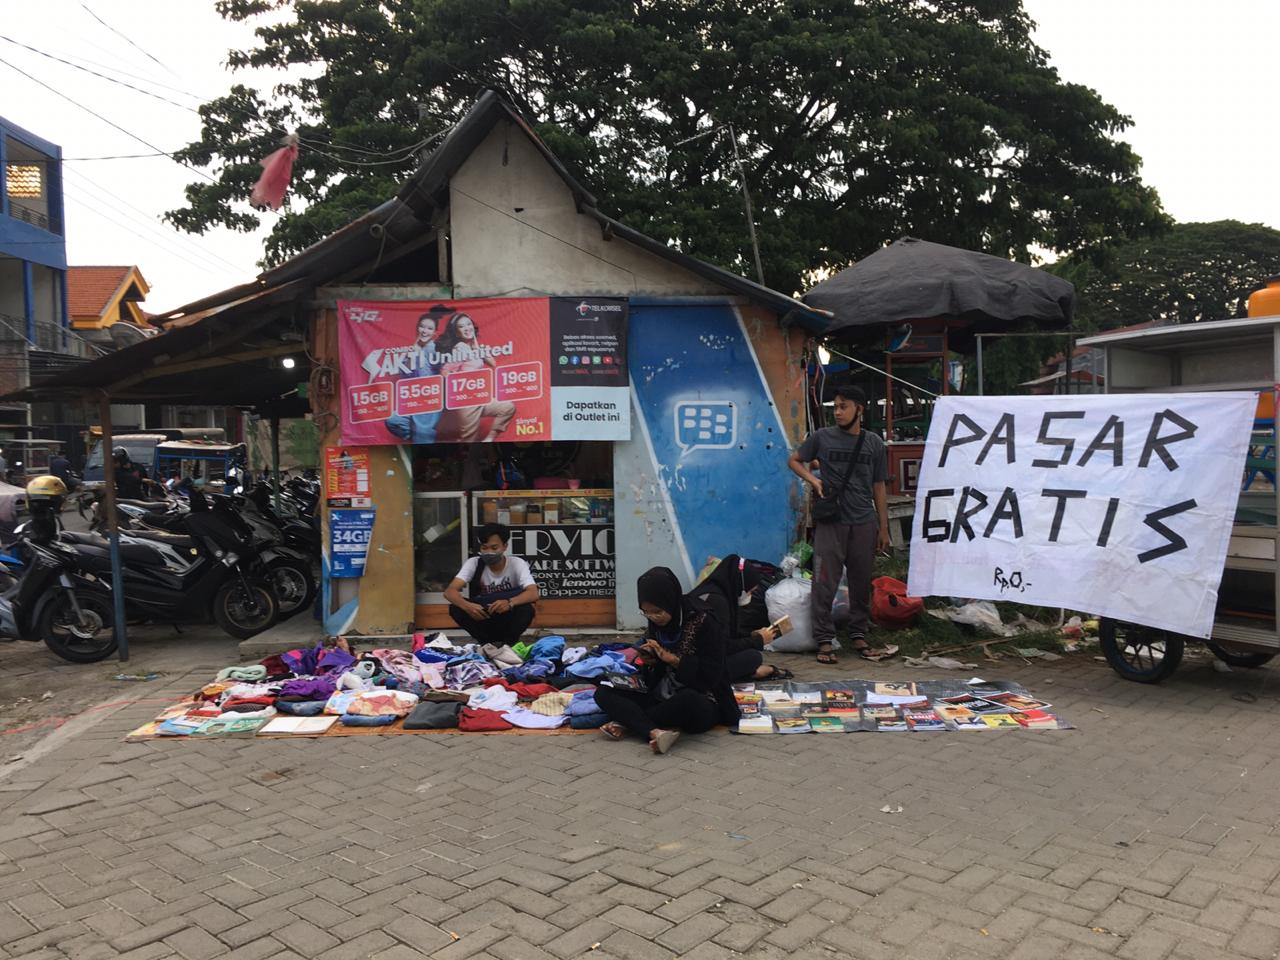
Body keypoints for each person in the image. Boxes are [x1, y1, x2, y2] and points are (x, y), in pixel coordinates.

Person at [788, 383, 896, 664]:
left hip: (863, 522)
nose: (837, 412)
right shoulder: (822, 437)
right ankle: (824, 639)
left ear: (859, 409)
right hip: (831, 522)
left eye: (843, 406)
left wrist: (883, 528)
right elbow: (796, 460)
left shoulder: (873, 443)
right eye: (834, 407)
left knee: (861, 583)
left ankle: (858, 634)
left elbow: (879, 487)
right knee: (825, 581)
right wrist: (814, 480)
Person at [595, 567, 739, 754]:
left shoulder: (704, 621)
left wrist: (675, 661)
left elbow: (711, 676)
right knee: (604, 692)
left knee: (688, 700)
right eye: (646, 612)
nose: (653, 617)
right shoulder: (657, 621)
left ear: (670, 602)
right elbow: (657, 674)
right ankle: (653, 731)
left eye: (657, 611)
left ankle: (630, 722)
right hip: (662, 695)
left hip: (703, 698)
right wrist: (652, 661)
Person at [694, 554, 793, 683]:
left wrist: (751, 635)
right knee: (753, 657)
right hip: (700, 663)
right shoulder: (718, 602)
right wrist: (758, 640)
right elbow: (722, 646)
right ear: (740, 584)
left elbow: (724, 634)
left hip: (702, 655)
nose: (749, 596)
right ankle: (753, 673)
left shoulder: (712, 591)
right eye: (750, 592)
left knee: (749, 654)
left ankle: (750, 672)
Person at [443, 523, 538, 645]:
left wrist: (510, 603)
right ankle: (486, 644)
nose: (489, 552)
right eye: (484, 548)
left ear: (504, 547)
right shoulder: (474, 563)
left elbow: (533, 592)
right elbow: (450, 592)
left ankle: (509, 644)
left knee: (526, 608)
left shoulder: (516, 563)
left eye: (494, 548)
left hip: (507, 615)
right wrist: (468, 606)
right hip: (483, 615)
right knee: (456, 608)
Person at [436, 313, 517, 442]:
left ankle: (489, 439)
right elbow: (444, 372)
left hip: (480, 398)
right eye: (461, 326)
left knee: (507, 407)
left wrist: (475, 345)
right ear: (457, 333)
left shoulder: (472, 348)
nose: (467, 328)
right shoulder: (460, 348)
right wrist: (461, 386)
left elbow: (492, 363)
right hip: (467, 401)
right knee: (470, 440)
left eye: (469, 324)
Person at [385, 307, 448, 443]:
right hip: (413, 398)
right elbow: (404, 375)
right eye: (422, 327)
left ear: (435, 333)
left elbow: (444, 369)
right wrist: (412, 353)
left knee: (423, 432)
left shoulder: (434, 348)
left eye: (429, 328)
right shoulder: (413, 349)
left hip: (430, 398)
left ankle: (425, 449)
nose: (424, 331)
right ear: (417, 328)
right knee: (393, 420)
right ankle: (413, 438)